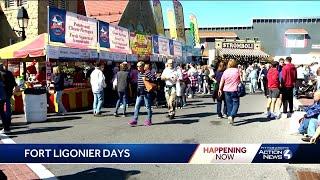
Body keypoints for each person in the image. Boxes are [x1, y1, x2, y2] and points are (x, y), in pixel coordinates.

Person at [128, 61, 156, 126]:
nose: (138, 67)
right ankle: (135, 120)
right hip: (140, 92)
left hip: (146, 92)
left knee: (148, 106)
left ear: (143, 66)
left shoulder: (147, 72)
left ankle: (149, 120)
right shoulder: (139, 73)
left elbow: (153, 79)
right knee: (137, 106)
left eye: (139, 66)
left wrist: (146, 78)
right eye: (137, 66)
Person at [218, 59, 241, 125]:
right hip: (235, 89)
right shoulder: (237, 71)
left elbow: (222, 81)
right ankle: (232, 116)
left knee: (229, 104)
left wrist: (220, 89)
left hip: (226, 90)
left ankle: (230, 117)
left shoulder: (226, 71)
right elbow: (241, 80)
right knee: (236, 103)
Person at [0, 68, 10, 134]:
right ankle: (6, 128)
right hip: (3, 98)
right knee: (2, 113)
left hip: (1, 98)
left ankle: (6, 128)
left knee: (2, 113)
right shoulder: (1, 81)